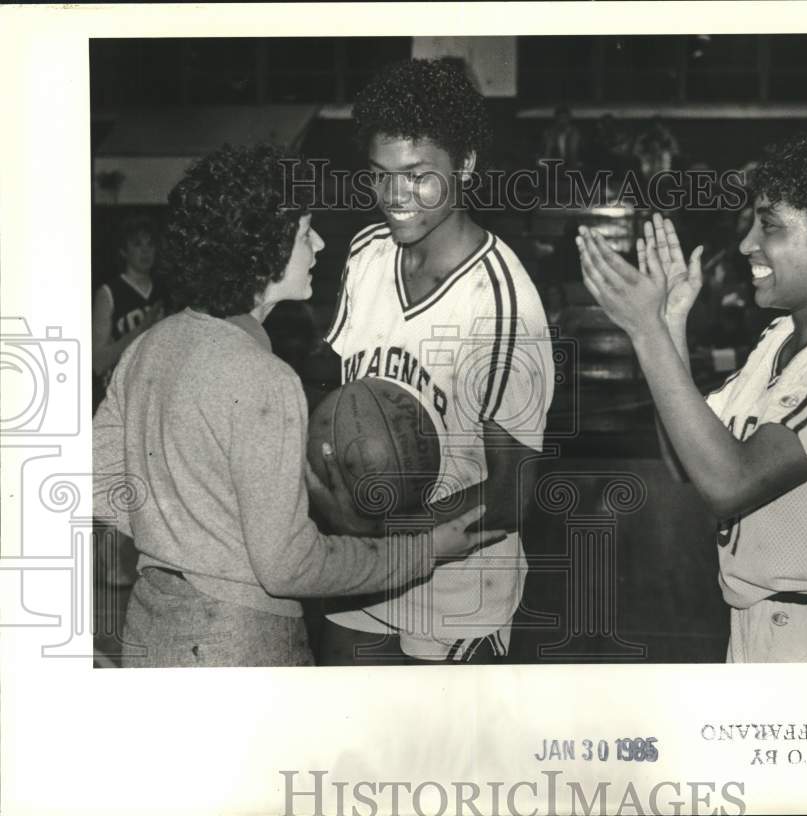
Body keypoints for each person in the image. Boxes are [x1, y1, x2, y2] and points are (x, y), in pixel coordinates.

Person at [92, 144, 502, 668]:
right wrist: (424, 551)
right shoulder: (266, 378)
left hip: (152, 623)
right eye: (306, 232)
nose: (320, 243)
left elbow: (101, 486)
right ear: (264, 249)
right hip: (237, 641)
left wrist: (185, 539)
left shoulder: (154, 344)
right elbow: (289, 566)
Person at [577, 128, 807, 663]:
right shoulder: (780, 339)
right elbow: (685, 461)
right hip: (762, 626)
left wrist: (645, 333)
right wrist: (669, 325)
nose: (746, 244)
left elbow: (730, 484)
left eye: (768, 227)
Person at [319, 59, 555, 664]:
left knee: (434, 761)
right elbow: (344, 401)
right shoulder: (368, 254)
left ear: (466, 165)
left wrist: (383, 529)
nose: (396, 198)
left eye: (419, 176)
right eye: (380, 176)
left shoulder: (502, 303)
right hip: (360, 574)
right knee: (347, 750)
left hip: (456, 592)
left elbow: (512, 495)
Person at [92, 215, 164, 412]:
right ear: (124, 251)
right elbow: (98, 362)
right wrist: (141, 330)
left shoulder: (165, 290)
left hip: (156, 394)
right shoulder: (109, 292)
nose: (145, 251)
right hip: (122, 397)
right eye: (137, 244)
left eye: (150, 244)